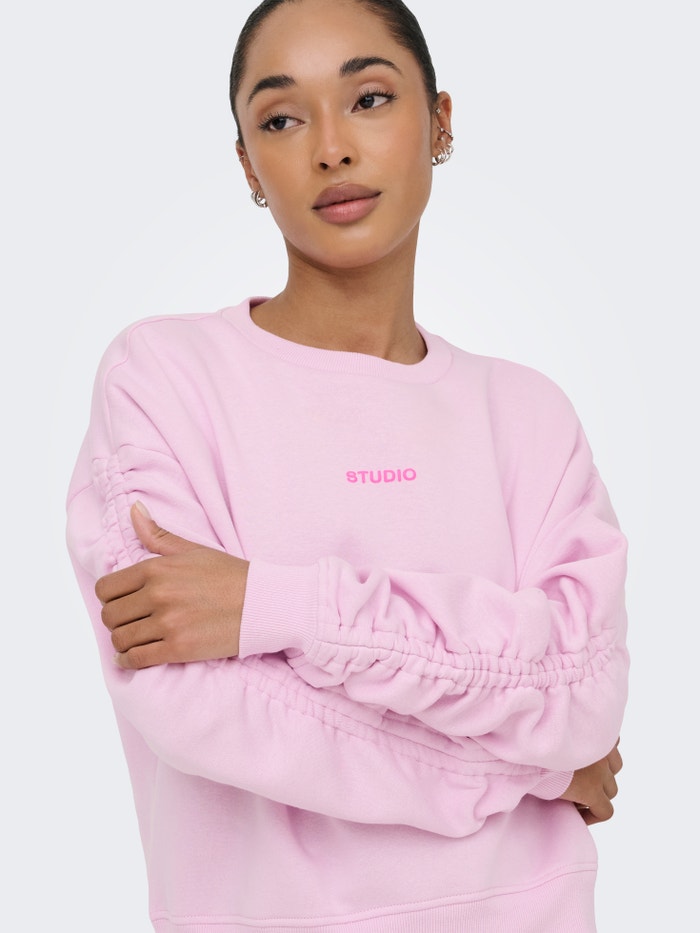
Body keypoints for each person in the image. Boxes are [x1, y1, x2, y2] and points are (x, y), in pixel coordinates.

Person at [66, 0, 629, 930]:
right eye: (282, 118)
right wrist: (527, 770)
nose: (330, 148)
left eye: (368, 99)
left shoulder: (529, 415)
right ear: (248, 165)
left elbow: (583, 696)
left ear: (439, 121)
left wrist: (275, 605)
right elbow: (192, 699)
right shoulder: (163, 377)